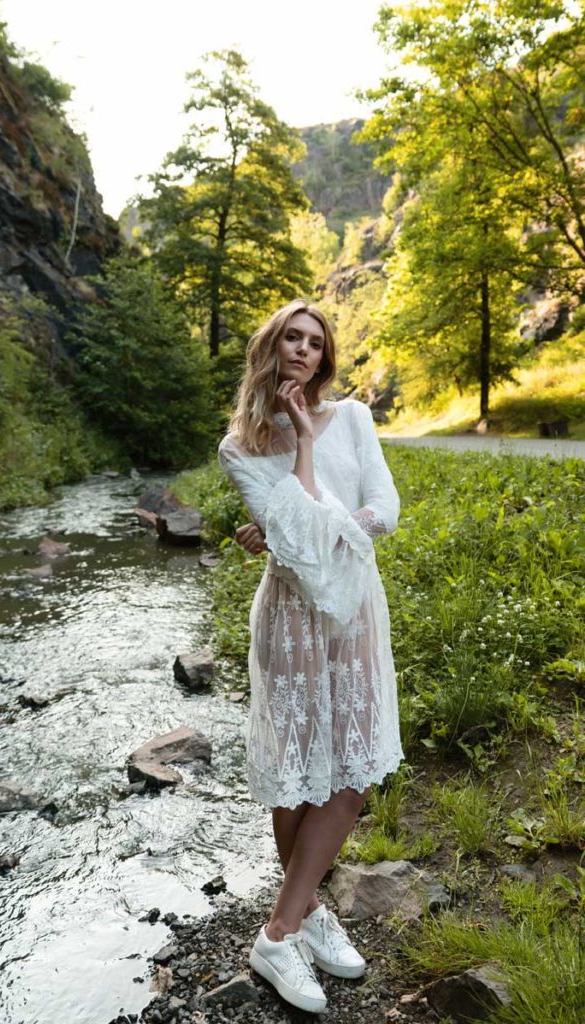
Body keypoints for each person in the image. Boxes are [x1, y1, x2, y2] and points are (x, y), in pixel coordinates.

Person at [217, 298, 405, 1014]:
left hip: (354, 607)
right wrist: (299, 443)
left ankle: (286, 924)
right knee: (299, 775)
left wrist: (317, 529)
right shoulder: (240, 447)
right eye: (291, 338)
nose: (303, 349)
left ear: (326, 356)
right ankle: (297, 922)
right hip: (291, 617)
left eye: (315, 342)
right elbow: (291, 540)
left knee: (351, 773)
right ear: (270, 349)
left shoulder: (353, 418)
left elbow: (384, 508)